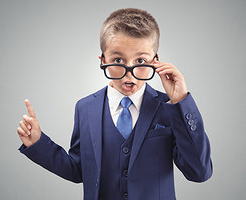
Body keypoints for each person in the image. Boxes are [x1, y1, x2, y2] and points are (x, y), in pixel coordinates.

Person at [16, 8, 212, 200]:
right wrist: (38, 143)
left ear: (155, 61)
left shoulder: (168, 107)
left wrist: (181, 102)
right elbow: (78, 170)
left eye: (141, 60)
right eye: (118, 59)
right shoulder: (85, 108)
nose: (129, 73)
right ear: (102, 60)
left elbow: (199, 172)